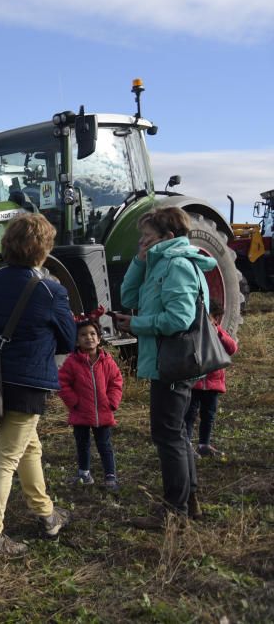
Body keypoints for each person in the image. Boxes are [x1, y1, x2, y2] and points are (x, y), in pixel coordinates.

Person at [0, 213, 77, 556]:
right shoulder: (50, 289)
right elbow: (69, 340)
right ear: (43, 249)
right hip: (28, 381)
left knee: (29, 447)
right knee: (6, 458)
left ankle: (46, 514)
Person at [114, 207, 214, 527]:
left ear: (168, 238)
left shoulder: (178, 267)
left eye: (147, 238)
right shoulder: (159, 264)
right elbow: (129, 294)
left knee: (168, 435)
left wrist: (138, 325)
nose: (141, 243)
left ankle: (175, 511)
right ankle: (190, 499)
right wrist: (139, 261)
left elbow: (179, 319)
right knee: (178, 432)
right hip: (166, 360)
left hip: (172, 362)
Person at [58, 309, 124, 491]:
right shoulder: (72, 362)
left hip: (103, 412)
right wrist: (74, 402)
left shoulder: (107, 361)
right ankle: (84, 473)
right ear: (76, 339)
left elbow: (116, 381)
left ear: (99, 337)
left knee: (105, 444)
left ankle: (110, 476)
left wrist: (112, 402)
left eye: (93, 334)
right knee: (82, 443)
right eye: (83, 335)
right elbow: (62, 383)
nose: (89, 338)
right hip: (81, 412)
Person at [184, 305, 238, 458]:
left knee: (209, 415)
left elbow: (232, 348)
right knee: (190, 414)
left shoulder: (218, 332)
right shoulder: (195, 331)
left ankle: (204, 444)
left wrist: (219, 333)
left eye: (215, 319)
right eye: (212, 317)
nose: (214, 321)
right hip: (196, 383)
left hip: (213, 383)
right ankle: (187, 445)